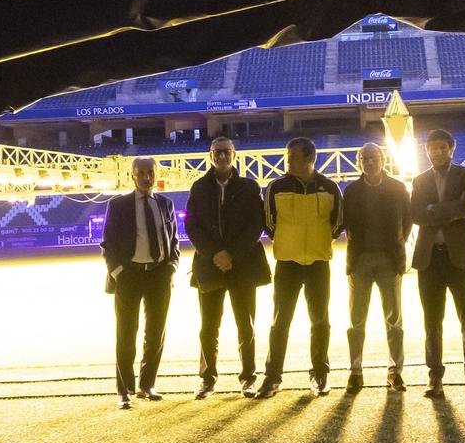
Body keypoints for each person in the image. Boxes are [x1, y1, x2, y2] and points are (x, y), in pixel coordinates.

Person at [184, 136, 270, 398]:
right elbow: (192, 226)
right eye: (217, 152)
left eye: (226, 152)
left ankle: (248, 378)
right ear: (211, 155)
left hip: (242, 266)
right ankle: (207, 379)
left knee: (246, 325)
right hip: (209, 266)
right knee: (209, 327)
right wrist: (215, 254)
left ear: (234, 154)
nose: (221, 156)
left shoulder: (248, 186)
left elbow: (256, 225)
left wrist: (231, 253)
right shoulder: (198, 187)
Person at [257, 136, 343, 397]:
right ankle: (273, 378)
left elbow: (337, 224)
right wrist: (290, 242)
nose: (287, 160)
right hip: (287, 264)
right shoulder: (275, 187)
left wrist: (315, 242)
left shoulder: (330, 188)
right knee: (280, 322)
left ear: (308, 158)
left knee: (320, 321)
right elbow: (269, 224)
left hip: (319, 263)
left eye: (292, 156)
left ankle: (320, 374)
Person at [409, 129, 465, 398]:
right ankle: (434, 378)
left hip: (462, 258)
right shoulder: (419, 181)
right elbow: (415, 213)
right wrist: (442, 211)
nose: (437, 151)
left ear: (452, 149)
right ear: (427, 151)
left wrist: (433, 210)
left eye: (442, 147)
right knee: (432, 322)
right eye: (432, 147)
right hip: (430, 259)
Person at [100, 156, 179, 409]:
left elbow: (174, 241)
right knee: (126, 333)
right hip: (129, 276)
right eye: (141, 172)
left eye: (150, 172)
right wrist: (119, 272)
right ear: (133, 175)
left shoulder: (165, 204)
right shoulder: (119, 204)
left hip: (159, 275)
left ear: (156, 174)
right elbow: (108, 244)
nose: (146, 177)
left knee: (155, 333)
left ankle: (147, 385)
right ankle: (124, 390)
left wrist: (171, 267)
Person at [340, 142, 411, 391]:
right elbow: (344, 222)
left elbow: (408, 220)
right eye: (364, 158)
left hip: (389, 261)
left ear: (382, 159)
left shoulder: (398, 188)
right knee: (356, 320)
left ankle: (395, 371)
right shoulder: (351, 192)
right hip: (360, 262)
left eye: (373, 157)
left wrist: (397, 246)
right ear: (359, 162)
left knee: (394, 320)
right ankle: (355, 371)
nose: (369, 162)